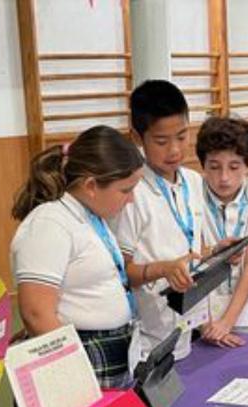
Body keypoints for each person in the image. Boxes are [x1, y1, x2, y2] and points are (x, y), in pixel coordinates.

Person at [10, 125, 190, 387]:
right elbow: (36, 313)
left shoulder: (91, 217)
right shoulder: (50, 223)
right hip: (79, 357)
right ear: (91, 186)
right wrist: (76, 374)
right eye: (125, 190)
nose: (130, 201)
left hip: (112, 348)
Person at [115, 79, 207, 362]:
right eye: (161, 141)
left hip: (189, 327)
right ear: (137, 137)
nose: (174, 150)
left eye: (182, 136)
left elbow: (193, 246)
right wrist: (163, 270)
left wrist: (218, 253)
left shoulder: (193, 181)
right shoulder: (131, 192)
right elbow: (120, 273)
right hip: (148, 342)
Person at [195, 115, 248, 346]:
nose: (224, 178)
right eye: (214, 167)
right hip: (202, 321)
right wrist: (208, 326)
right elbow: (193, 261)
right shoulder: (191, 193)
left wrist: (226, 323)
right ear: (203, 164)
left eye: (234, 167)